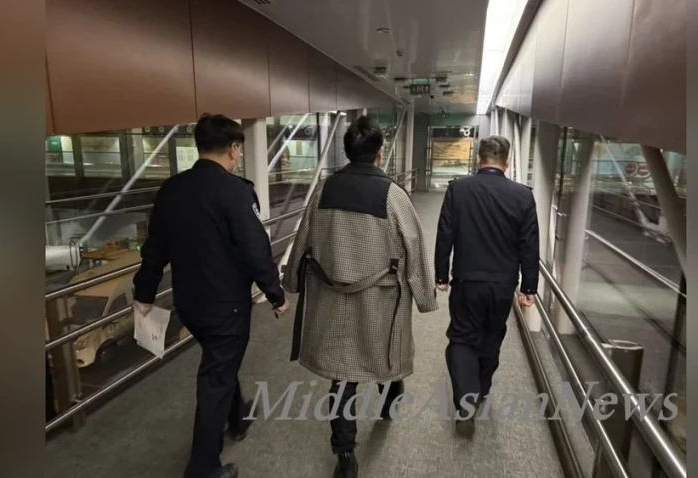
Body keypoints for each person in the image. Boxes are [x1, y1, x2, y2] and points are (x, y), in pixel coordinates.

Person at [132, 113, 290, 478]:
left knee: (221, 363)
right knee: (215, 379)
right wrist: (276, 294)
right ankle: (203, 468)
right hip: (227, 308)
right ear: (233, 149)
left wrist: (145, 294)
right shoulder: (236, 191)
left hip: (189, 305)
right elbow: (255, 249)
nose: (239, 155)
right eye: (238, 149)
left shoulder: (171, 190)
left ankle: (238, 416)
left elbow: (154, 249)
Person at [283, 116, 438, 478]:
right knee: (383, 353)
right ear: (379, 152)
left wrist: (290, 282)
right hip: (380, 301)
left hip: (332, 300)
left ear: (347, 151)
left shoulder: (324, 190)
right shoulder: (394, 195)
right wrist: (425, 297)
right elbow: (415, 247)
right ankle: (390, 395)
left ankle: (346, 455)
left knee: (342, 376)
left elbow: (302, 240)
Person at [434, 135, 539, 438]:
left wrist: (441, 275)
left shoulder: (458, 189)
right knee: (492, 335)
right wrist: (528, 287)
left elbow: (445, 234)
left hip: (467, 281)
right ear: (507, 162)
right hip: (503, 284)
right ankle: (481, 389)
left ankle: (465, 403)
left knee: (462, 338)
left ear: (479, 160)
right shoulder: (522, 196)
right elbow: (529, 245)